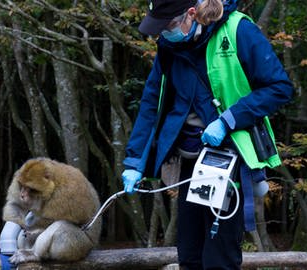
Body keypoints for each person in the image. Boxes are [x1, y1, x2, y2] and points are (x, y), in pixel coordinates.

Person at [122, 0, 294, 268]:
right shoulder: (169, 46)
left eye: (167, 26)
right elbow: (151, 103)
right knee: (189, 255)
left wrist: (228, 120)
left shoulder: (238, 30)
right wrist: (134, 163)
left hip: (229, 157)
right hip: (190, 160)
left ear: (191, 14)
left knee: (219, 257)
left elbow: (279, 87)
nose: (162, 34)